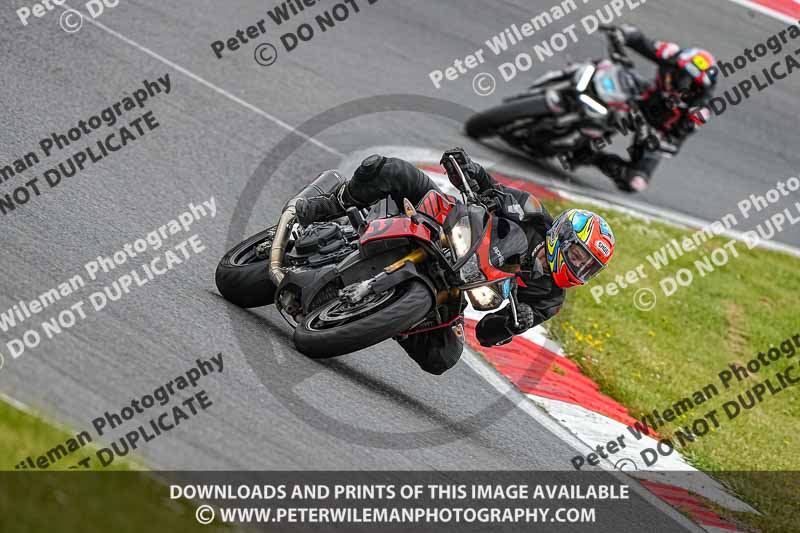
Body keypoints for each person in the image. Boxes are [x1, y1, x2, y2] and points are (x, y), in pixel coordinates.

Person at [295, 149, 616, 374]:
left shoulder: (549, 298)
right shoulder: (532, 213)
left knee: (443, 357)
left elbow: (486, 334)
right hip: (446, 226)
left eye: (587, 267)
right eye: (578, 255)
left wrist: (511, 325)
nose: (578, 267)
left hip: (460, 285)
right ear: (563, 236)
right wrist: (470, 169)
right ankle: (331, 204)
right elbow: (491, 187)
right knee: (387, 169)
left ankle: (388, 314)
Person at [586, 25, 718, 193]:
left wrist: (655, 138)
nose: (681, 83)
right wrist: (623, 34)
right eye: (680, 74)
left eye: (689, 82)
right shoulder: (671, 55)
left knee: (635, 182)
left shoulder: (699, 111)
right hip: (642, 100)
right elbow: (641, 42)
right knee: (608, 72)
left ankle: (590, 157)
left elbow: (674, 144)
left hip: (654, 130)